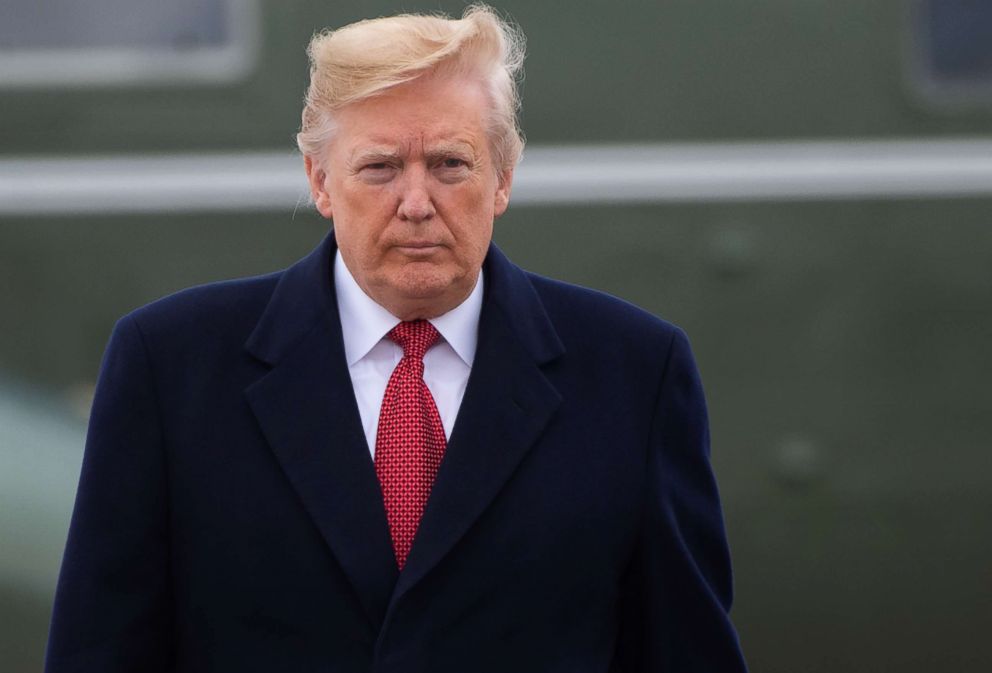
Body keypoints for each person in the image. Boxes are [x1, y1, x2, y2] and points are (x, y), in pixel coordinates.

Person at [45, 5, 748, 672]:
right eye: (380, 168)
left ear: (503, 176)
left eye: (450, 164)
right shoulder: (170, 368)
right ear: (319, 180)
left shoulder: (634, 373)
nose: (417, 203)